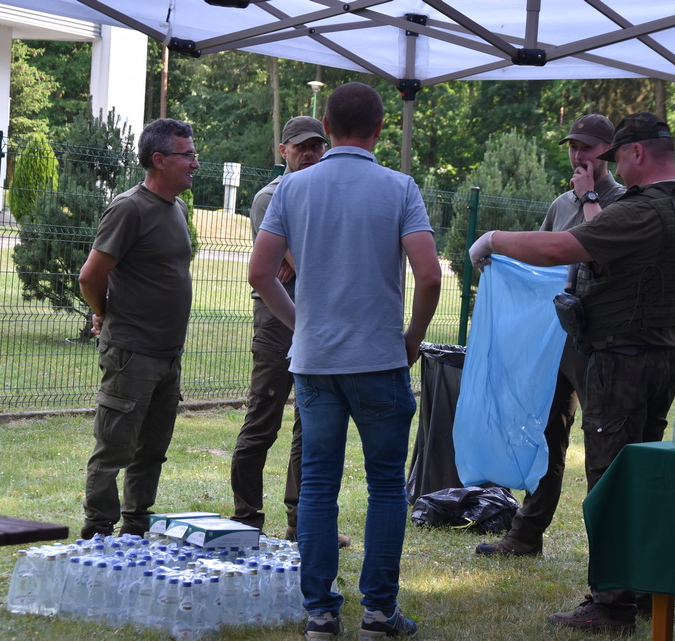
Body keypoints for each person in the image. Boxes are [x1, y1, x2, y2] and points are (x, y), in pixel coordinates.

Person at [469, 112, 675, 634]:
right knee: (643, 474)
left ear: (638, 154)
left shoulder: (639, 210)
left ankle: (613, 600)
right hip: (661, 355)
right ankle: (644, 587)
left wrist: (493, 237)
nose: (612, 165)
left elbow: (561, 247)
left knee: (611, 480)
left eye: (617, 155)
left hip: (621, 361)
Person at [249, 82, 441, 640]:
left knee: (316, 485)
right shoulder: (400, 187)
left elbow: (260, 274)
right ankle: (379, 614)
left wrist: (300, 323)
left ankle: (320, 615)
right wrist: (413, 337)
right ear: (380, 130)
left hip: (315, 362)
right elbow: (429, 275)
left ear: (326, 128)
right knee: (384, 485)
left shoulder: (292, 188)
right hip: (380, 358)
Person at [475, 113, 625, 558]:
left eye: (589, 148)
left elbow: (606, 259)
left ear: (610, 154)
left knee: (604, 439)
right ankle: (525, 535)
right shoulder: (562, 204)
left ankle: (612, 549)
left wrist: (590, 196)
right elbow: (541, 257)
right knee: (544, 431)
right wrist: (500, 261)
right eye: (574, 147)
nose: (579, 156)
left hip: (600, 340)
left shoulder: (623, 201)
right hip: (555, 337)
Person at [230, 115, 350, 548]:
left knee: (312, 424)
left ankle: (303, 522)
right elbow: (293, 262)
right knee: (263, 421)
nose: (311, 153)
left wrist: (298, 256)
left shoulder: (329, 195)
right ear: (283, 151)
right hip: (277, 321)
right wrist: (296, 257)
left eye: (318, 145)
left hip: (320, 318)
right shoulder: (269, 197)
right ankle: (245, 521)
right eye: (301, 146)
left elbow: (318, 256)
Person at [77, 118, 198, 539]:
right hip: (132, 352)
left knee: (152, 451)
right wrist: (104, 313)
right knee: (115, 448)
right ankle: (96, 535)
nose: (195, 163)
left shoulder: (177, 207)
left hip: (168, 354)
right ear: (159, 160)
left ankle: (135, 531)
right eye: (187, 155)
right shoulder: (129, 207)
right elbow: (90, 276)